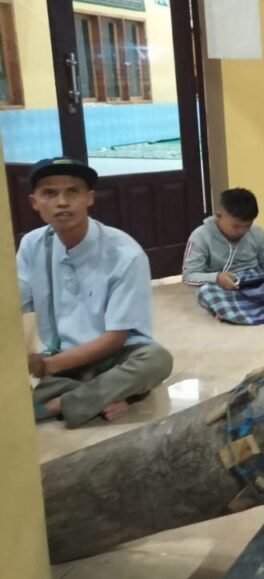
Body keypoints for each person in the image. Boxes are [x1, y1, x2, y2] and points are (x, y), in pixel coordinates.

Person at [17, 157, 173, 428]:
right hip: (57, 359)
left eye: (72, 192)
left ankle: (60, 403)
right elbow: (18, 307)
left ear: (89, 198)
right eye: (50, 193)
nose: (62, 202)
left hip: (111, 357)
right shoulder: (33, 245)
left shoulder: (125, 253)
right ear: (34, 202)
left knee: (156, 360)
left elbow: (115, 338)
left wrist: (49, 367)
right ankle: (107, 395)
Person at [182, 187, 264, 325]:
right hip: (224, 285)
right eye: (235, 226)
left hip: (255, 279)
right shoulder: (200, 236)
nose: (241, 231)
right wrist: (217, 277)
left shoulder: (257, 232)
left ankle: (237, 311)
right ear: (219, 215)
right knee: (206, 292)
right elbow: (189, 276)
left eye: (247, 226)